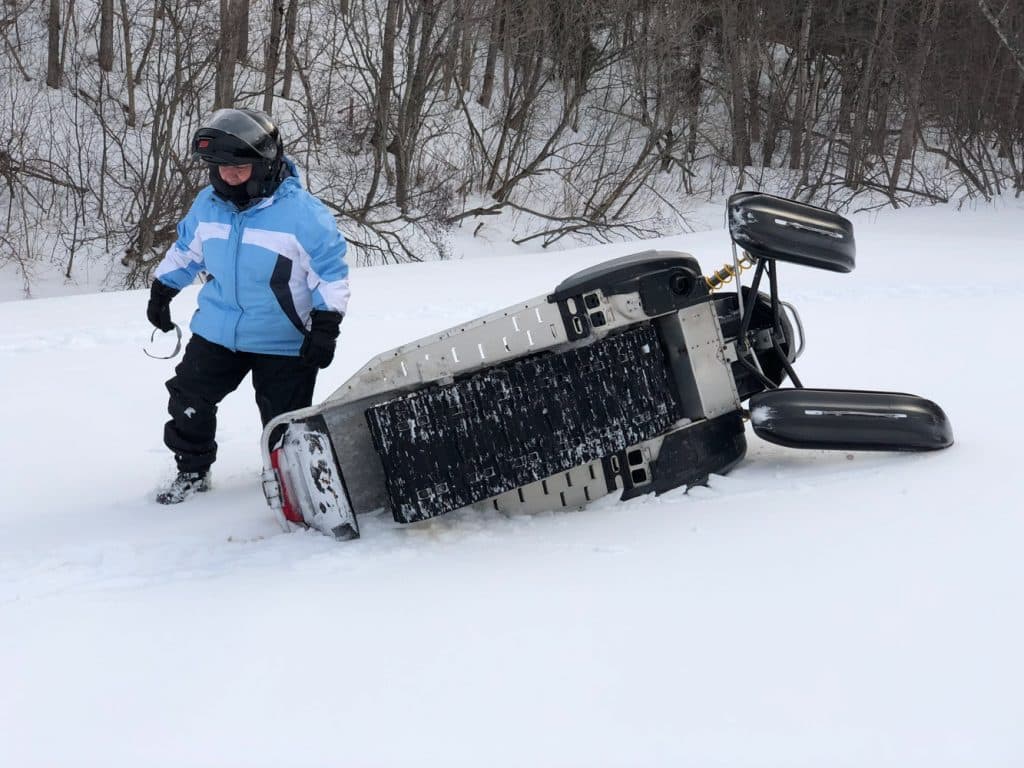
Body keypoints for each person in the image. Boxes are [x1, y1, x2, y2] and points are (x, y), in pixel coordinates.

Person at [146, 108, 350, 504]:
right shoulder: (208, 204)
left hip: (284, 339)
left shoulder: (304, 215)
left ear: (265, 163)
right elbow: (187, 251)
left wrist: (326, 328)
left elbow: (330, 275)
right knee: (189, 396)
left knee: (283, 424)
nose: (228, 177)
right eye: (220, 168)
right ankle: (192, 470)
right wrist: (163, 289)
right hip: (220, 328)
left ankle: (289, 482)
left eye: (238, 168)